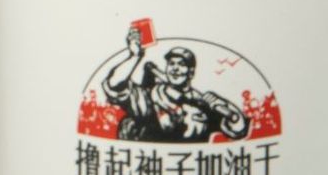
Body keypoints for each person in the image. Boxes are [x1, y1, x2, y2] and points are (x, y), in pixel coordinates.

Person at [102, 30, 249, 142]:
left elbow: (238, 129)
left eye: (181, 64)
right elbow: (114, 85)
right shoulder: (150, 96)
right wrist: (135, 56)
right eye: (171, 64)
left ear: (191, 73)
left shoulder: (202, 105)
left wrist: (225, 108)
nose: (175, 69)